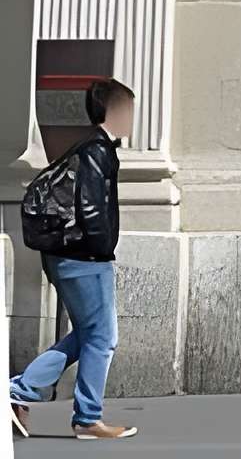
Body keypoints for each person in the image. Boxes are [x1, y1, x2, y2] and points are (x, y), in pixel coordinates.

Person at [9, 76, 138, 441]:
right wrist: (101, 250)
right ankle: (87, 418)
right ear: (113, 111)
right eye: (128, 111)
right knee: (102, 337)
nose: (131, 119)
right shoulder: (97, 151)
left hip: (69, 254)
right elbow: (91, 206)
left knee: (88, 334)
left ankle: (18, 391)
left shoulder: (90, 147)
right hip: (84, 257)